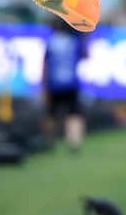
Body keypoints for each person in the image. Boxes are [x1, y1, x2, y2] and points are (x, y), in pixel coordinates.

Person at [43, 16, 87, 153]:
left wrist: (43, 85)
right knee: (74, 114)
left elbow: (44, 64)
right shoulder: (74, 41)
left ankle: (49, 142)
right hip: (70, 83)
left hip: (53, 83)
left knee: (51, 114)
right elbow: (85, 55)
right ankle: (74, 144)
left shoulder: (51, 41)